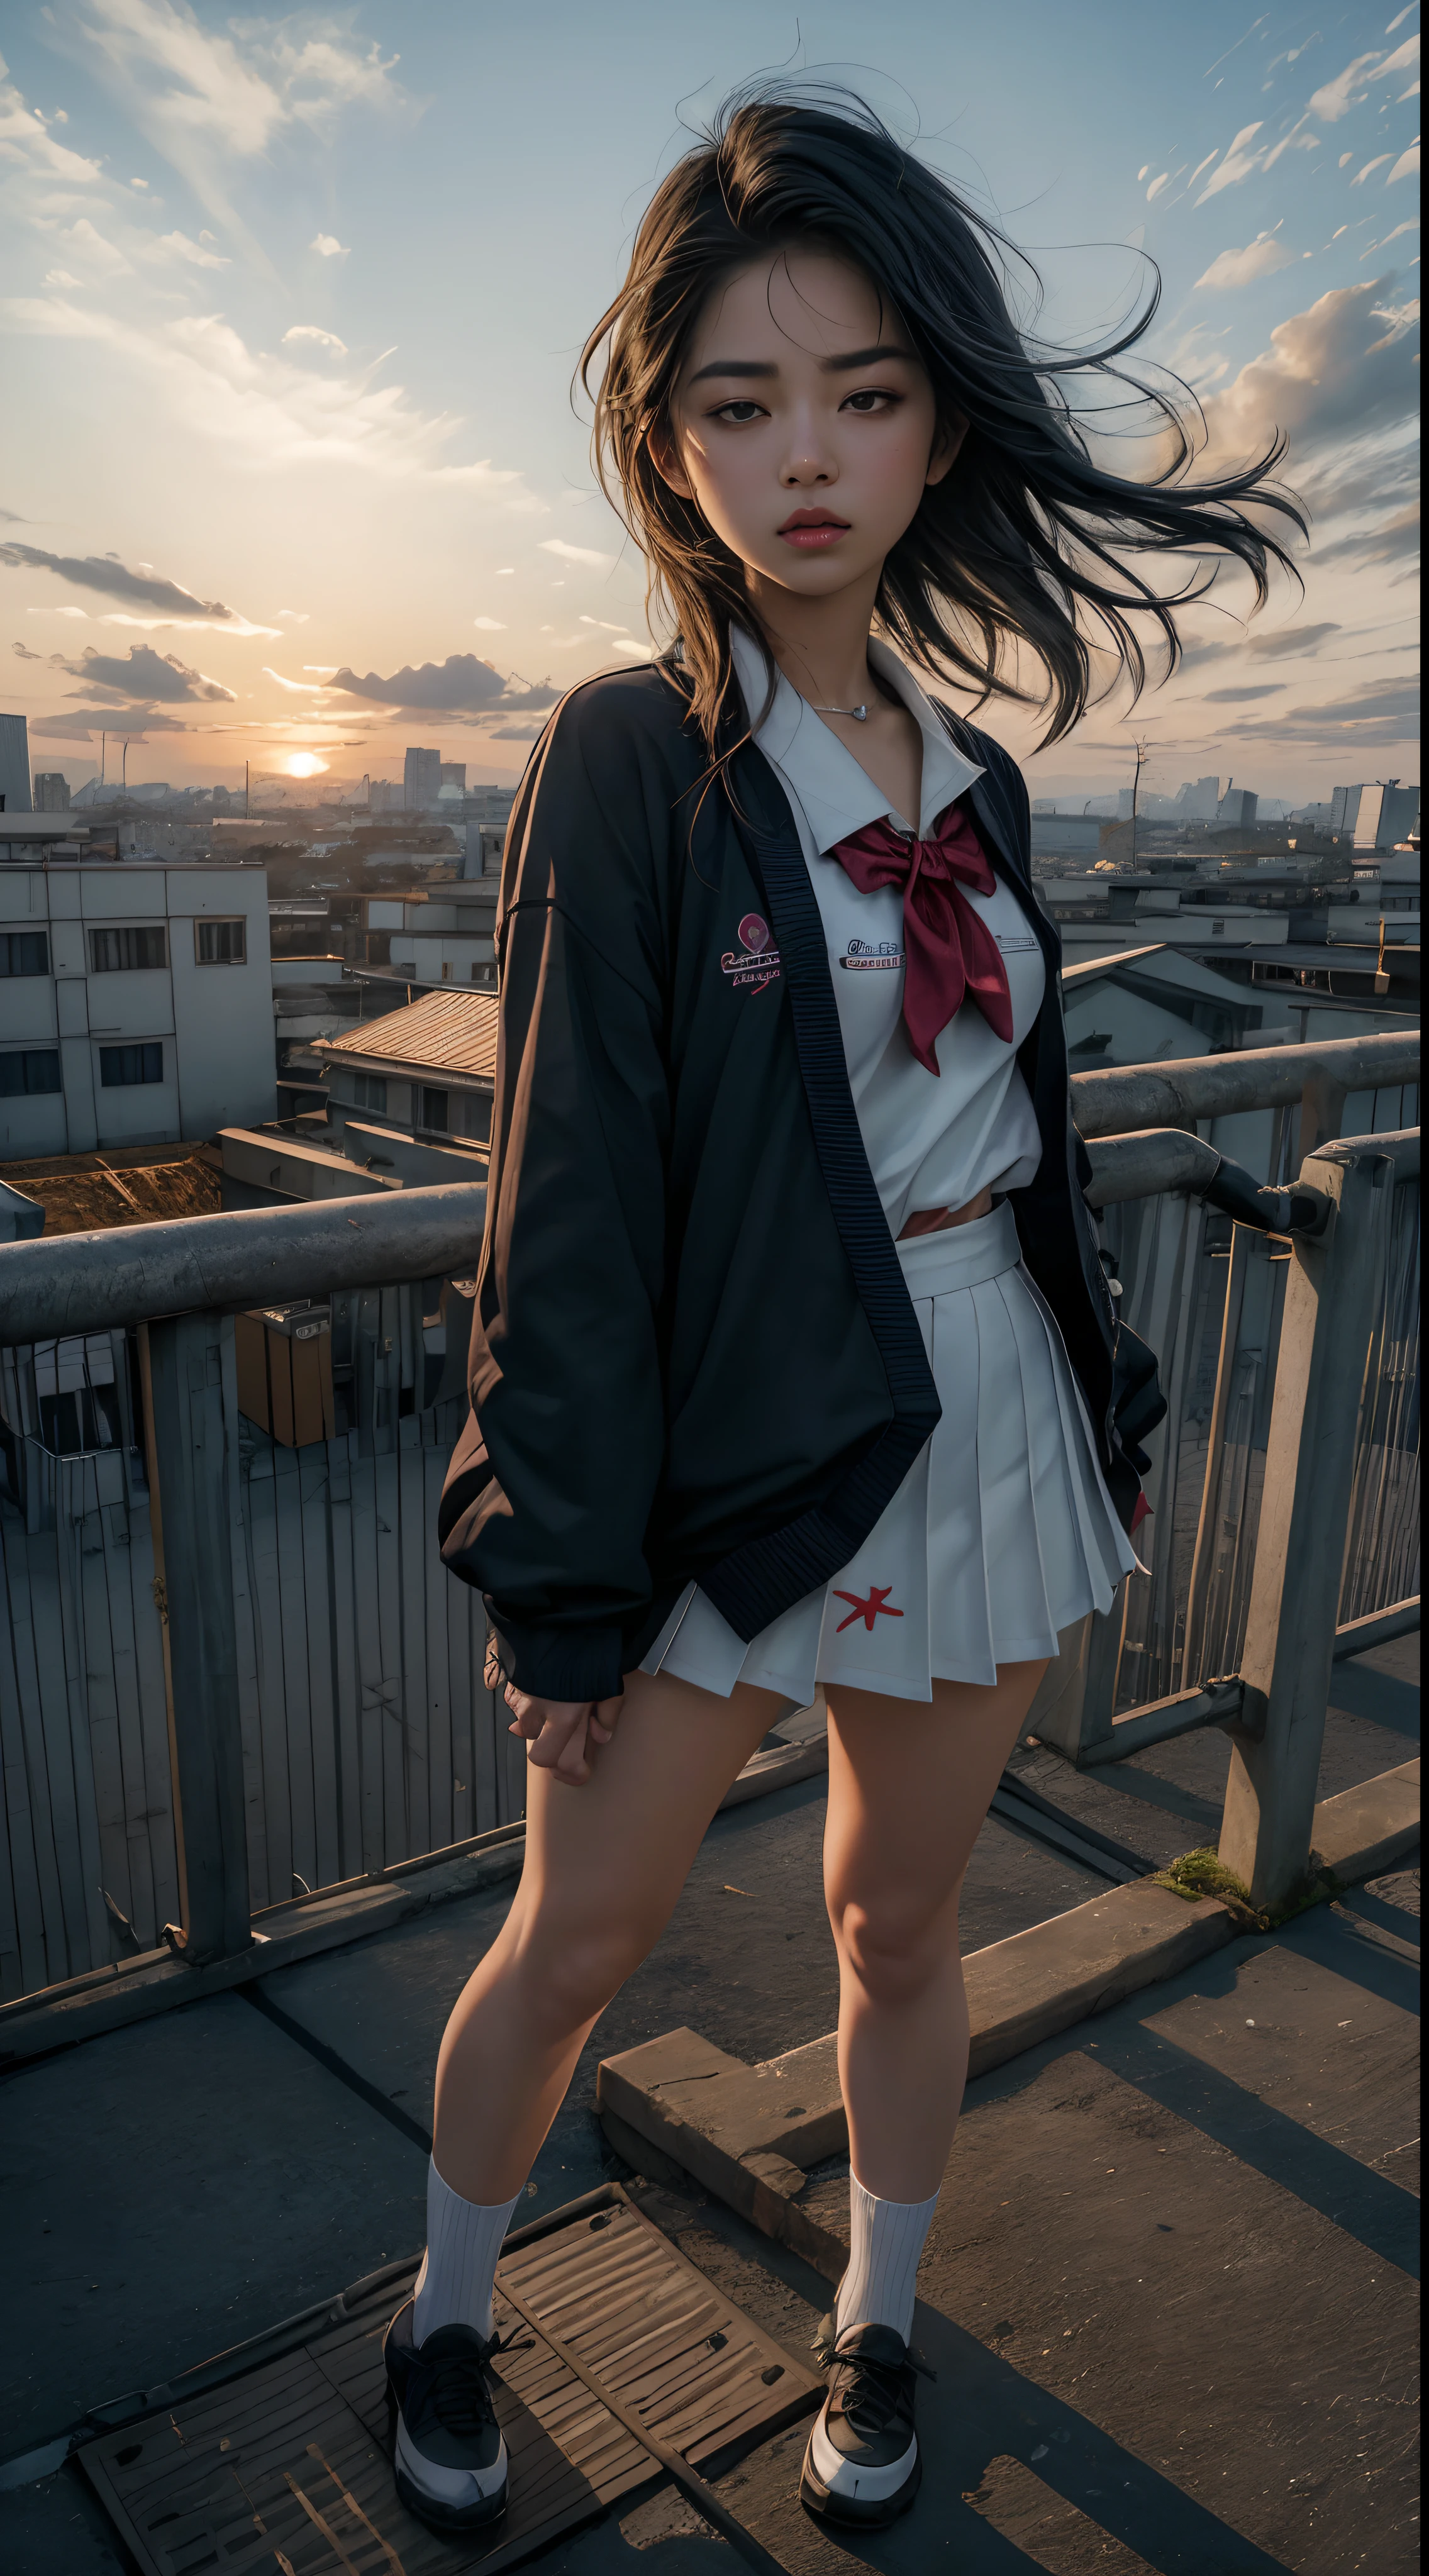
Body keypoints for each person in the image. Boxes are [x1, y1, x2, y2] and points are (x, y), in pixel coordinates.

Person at [382, 88, 1303, 2537]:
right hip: (727, 1434)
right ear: (664, 441)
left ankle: (876, 2325)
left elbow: (1031, 1138)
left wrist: (1100, 1403)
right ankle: (448, 2307)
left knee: (898, 1915)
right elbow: (560, 1207)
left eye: (865, 393)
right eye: (739, 400)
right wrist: (562, 1572)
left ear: (935, 430)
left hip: (974, 1394)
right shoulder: (629, 762)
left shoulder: (981, 771)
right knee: (576, 1931)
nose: (805, 454)